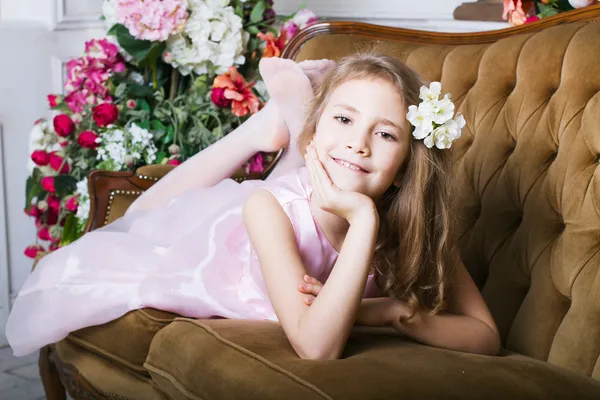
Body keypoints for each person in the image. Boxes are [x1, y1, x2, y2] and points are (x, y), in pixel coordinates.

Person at [6, 52, 501, 360]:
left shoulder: (413, 223)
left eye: (386, 133)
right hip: (229, 247)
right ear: (318, 132)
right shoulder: (268, 209)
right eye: (344, 119)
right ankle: (265, 131)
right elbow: (317, 346)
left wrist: (396, 312)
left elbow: (485, 336)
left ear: (409, 162)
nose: (359, 144)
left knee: (294, 184)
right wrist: (364, 216)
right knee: (139, 221)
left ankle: (281, 139)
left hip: (305, 198)